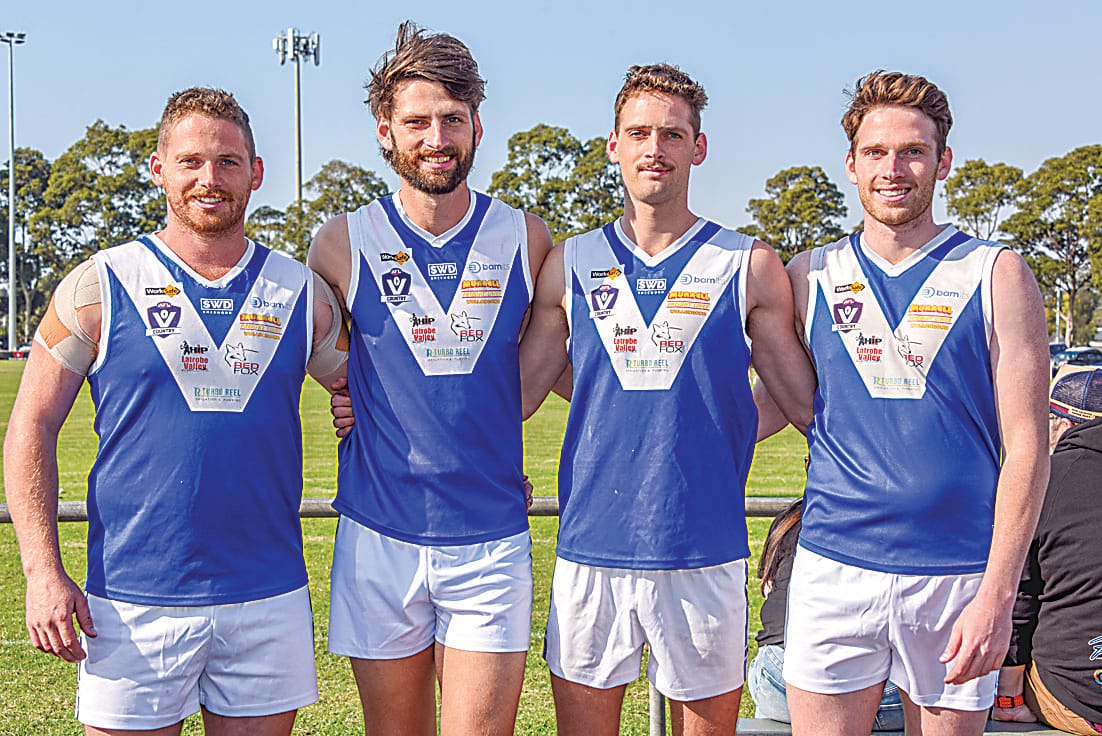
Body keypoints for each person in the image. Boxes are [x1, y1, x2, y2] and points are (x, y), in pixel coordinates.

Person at [3, 87, 348, 735]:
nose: (209, 179)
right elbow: (32, 426)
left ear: (256, 171)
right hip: (132, 599)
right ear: (159, 169)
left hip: (267, 596)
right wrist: (43, 571)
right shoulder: (97, 286)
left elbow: (366, 392)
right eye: (190, 162)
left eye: (227, 162)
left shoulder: (304, 294)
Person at [518, 63, 816, 736]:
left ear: (698, 148)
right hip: (592, 546)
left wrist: (732, 424)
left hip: (704, 547)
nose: (655, 148)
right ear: (613, 146)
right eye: (639, 133)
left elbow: (801, 402)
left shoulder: (747, 264)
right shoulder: (569, 262)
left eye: (672, 135)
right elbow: (519, 393)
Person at [759, 71, 1050, 736]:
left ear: (942, 161)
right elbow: (774, 405)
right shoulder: (809, 274)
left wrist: (999, 596)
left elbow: (1028, 445)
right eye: (877, 152)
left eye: (913, 151)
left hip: (955, 574)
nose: (894, 168)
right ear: (852, 164)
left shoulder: (995, 272)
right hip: (833, 566)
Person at [306, 22, 552, 736]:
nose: (436, 138)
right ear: (385, 132)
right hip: (379, 533)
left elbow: (548, 366)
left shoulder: (526, 238)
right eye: (416, 122)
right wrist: (344, 395)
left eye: (452, 120)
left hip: (489, 536)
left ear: (477, 126)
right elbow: (321, 351)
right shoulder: (342, 240)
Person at [993, 365, 1102, 735]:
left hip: (1078, 697)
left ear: (1064, 424)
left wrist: (1008, 701)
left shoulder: (1044, 479)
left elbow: (1018, 601)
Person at [746, 497, 904, 730]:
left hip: (775, 670)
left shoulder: (791, 521)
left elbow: (768, 590)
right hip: (857, 679)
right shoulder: (885, 522)